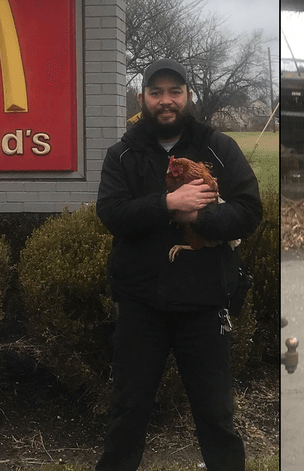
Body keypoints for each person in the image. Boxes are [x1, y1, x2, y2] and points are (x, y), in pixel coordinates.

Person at [95, 58, 263, 471]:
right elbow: (111, 213)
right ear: (142, 99)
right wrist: (168, 204)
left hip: (204, 305)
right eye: (156, 93)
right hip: (140, 305)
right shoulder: (123, 155)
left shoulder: (219, 148)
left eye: (174, 92)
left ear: (188, 96)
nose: (165, 101)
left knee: (216, 416)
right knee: (128, 413)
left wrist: (201, 217)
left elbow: (249, 211)